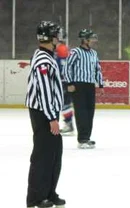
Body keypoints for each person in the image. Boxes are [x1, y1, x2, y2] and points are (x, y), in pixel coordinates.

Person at [26, 21, 66, 208]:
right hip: (43, 113)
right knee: (43, 156)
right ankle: (35, 198)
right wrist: (52, 118)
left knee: (54, 154)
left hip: (48, 111)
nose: (59, 38)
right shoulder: (43, 59)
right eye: (57, 35)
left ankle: (49, 192)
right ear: (50, 37)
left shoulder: (46, 56)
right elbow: (44, 91)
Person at [65, 29, 103, 149]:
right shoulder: (75, 52)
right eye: (91, 39)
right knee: (81, 112)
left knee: (89, 112)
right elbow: (67, 67)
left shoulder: (94, 53)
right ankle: (82, 139)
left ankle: (87, 137)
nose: (94, 41)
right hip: (78, 85)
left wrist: (100, 84)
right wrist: (69, 83)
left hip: (90, 85)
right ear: (84, 40)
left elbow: (97, 69)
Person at [55, 31, 73, 135]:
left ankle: (69, 125)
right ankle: (68, 124)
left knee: (64, 103)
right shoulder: (61, 48)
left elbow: (62, 66)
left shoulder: (61, 48)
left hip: (63, 80)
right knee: (63, 103)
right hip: (63, 80)